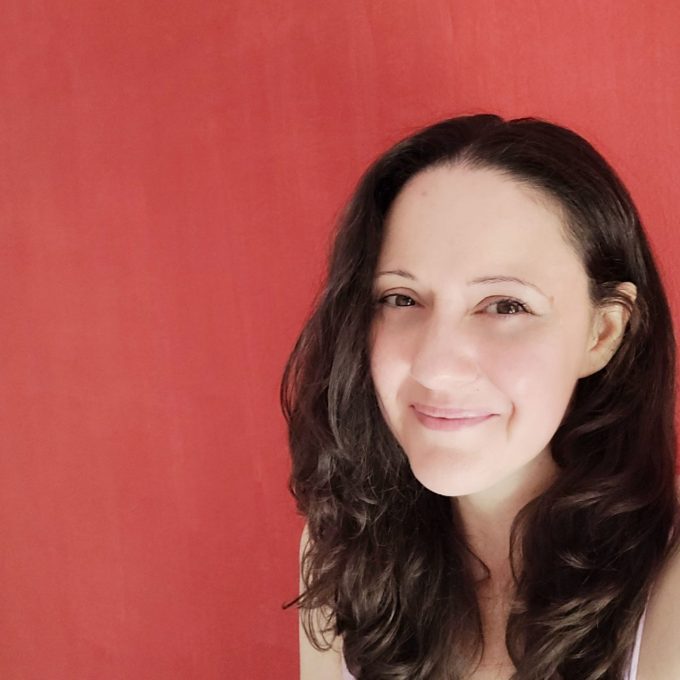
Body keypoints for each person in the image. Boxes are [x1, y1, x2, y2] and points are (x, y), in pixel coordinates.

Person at [280, 114, 680, 679]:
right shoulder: (340, 551)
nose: (436, 367)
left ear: (604, 332)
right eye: (401, 298)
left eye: (506, 306)